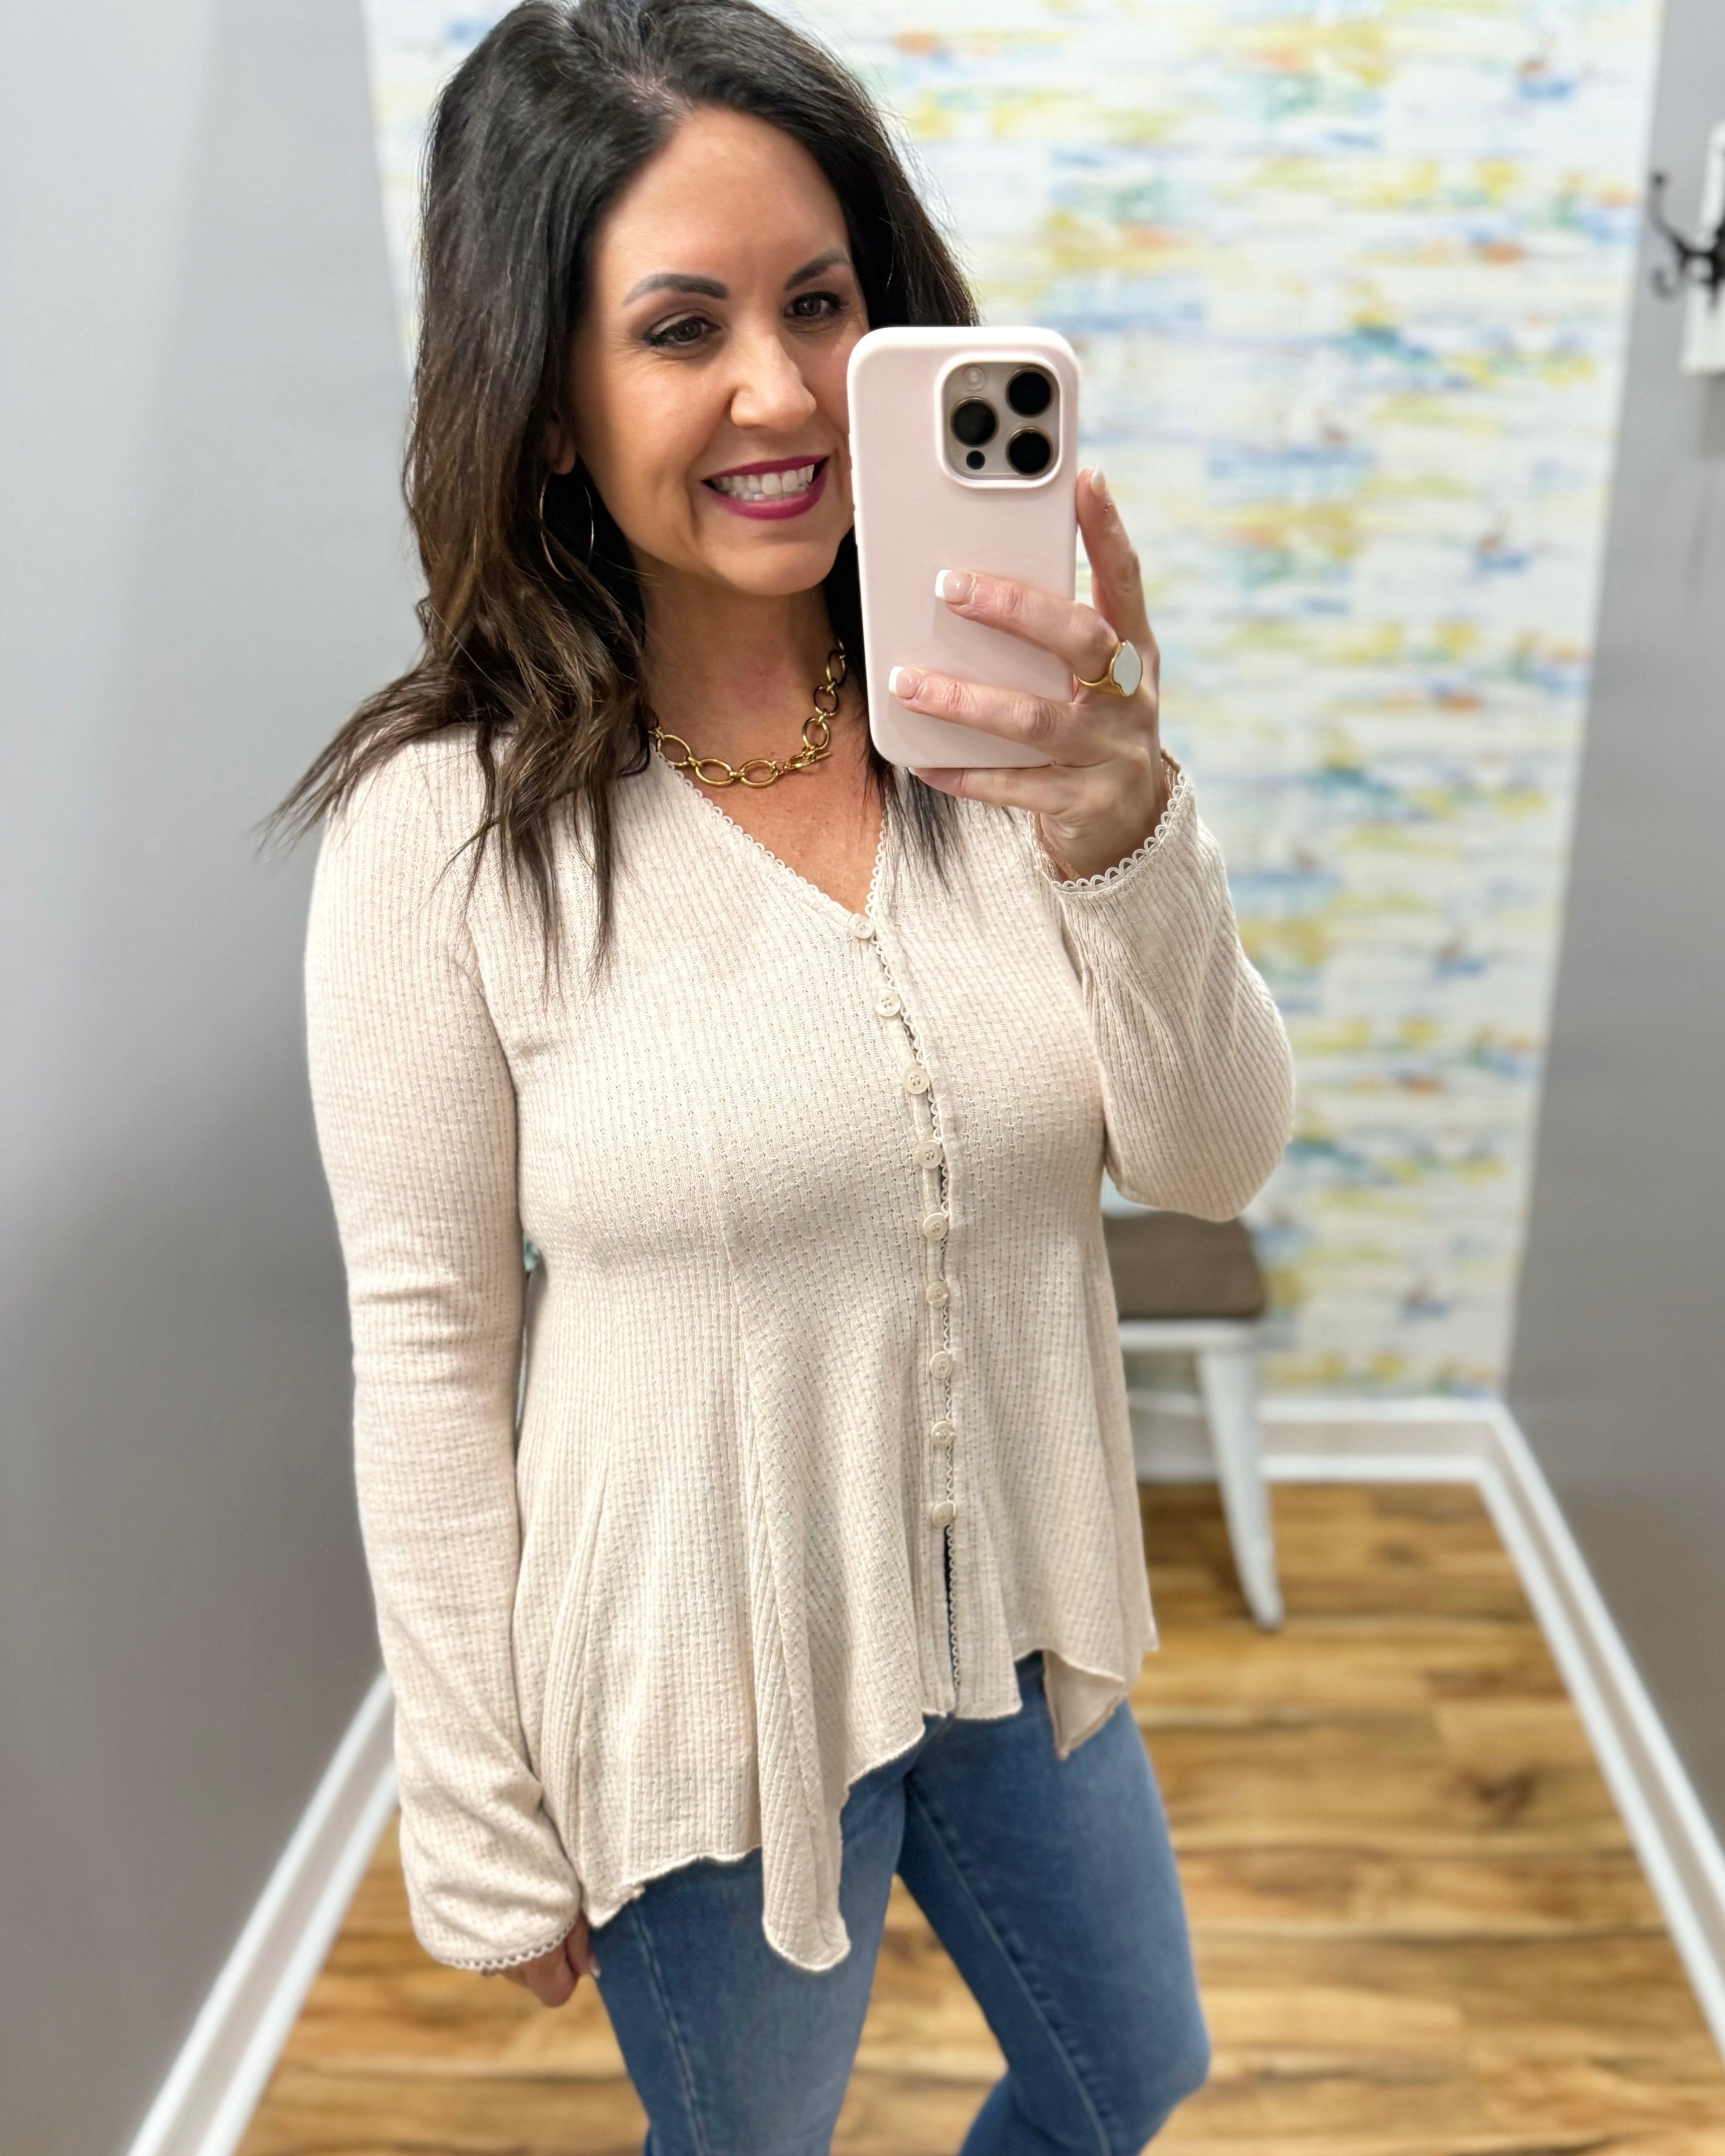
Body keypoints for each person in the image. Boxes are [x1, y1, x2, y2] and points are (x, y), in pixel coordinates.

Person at [277, 2, 1295, 2149]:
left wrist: (1124, 826)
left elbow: (1211, 1160)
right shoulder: (440, 833)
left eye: (822, 305)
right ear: (549, 405)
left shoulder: (1011, 737)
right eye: (682, 328)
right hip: (696, 1693)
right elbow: (431, 1344)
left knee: (1130, 2072)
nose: (785, 389)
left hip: (1015, 1617)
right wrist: (474, 1806)